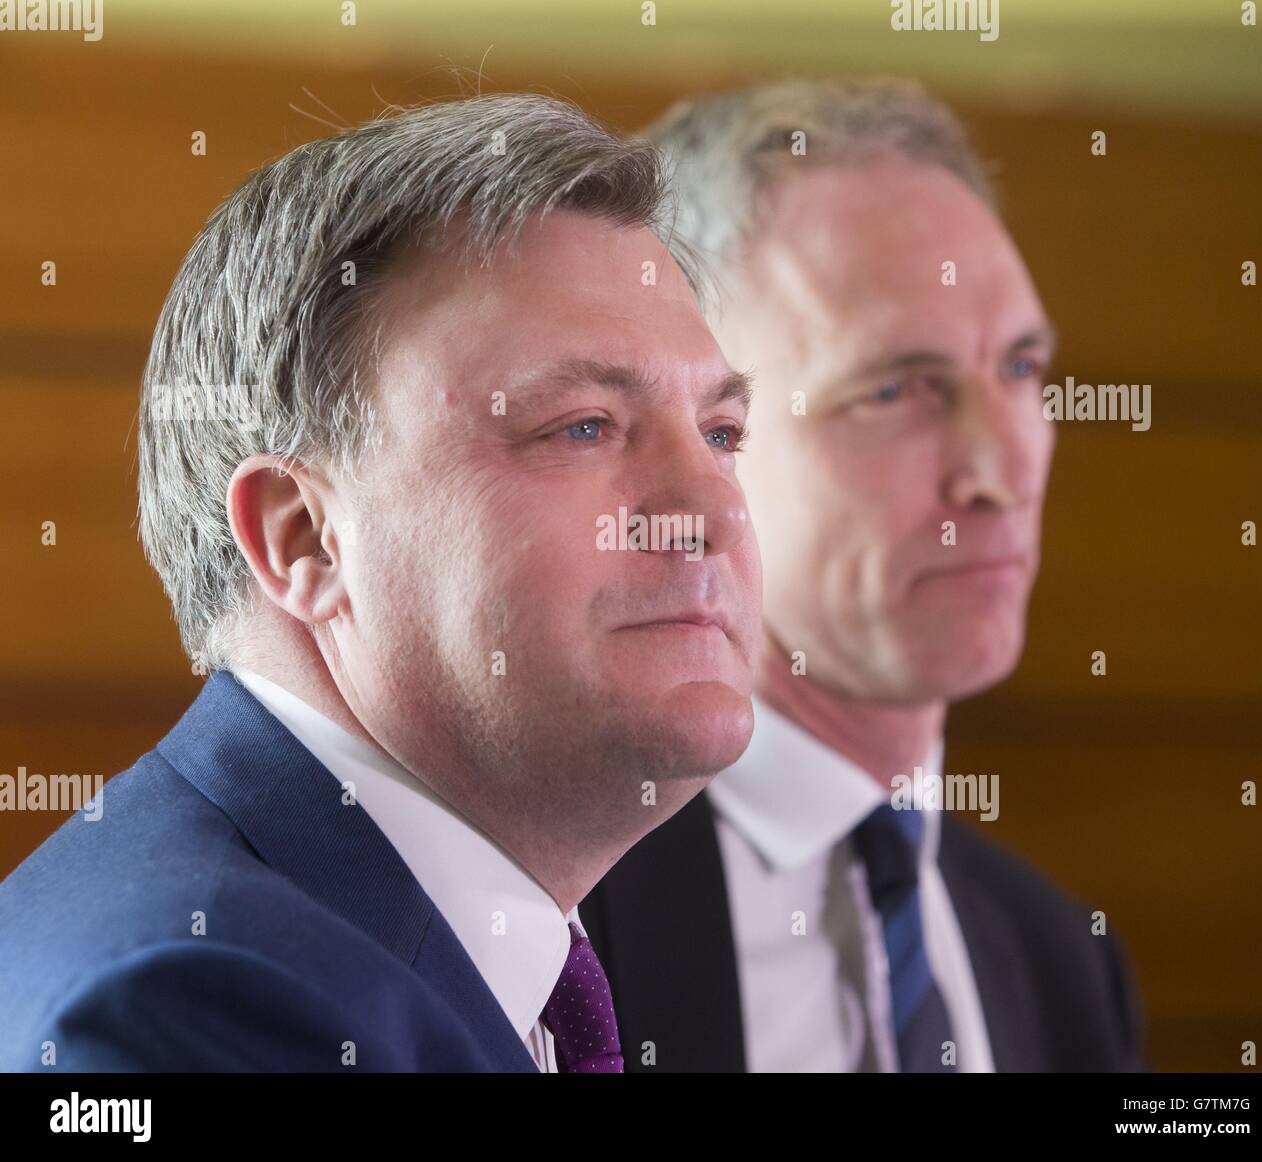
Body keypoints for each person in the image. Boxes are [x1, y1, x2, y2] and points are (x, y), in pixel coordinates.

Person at [0, 94, 762, 1072]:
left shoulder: (438, 952)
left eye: (722, 434)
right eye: (583, 425)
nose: (712, 514)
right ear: (304, 539)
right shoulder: (187, 1007)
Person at [582, 79, 1146, 1073]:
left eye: (1021, 369)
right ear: (702, 431)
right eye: (893, 389)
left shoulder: (1063, 961)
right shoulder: (554, 929)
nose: (1000, 472)